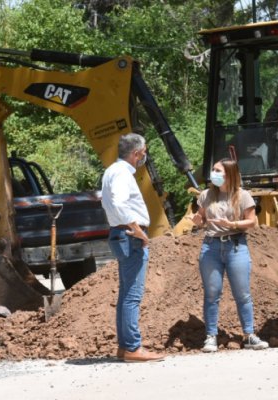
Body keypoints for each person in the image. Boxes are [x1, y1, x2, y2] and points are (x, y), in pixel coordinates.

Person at [190, 158, 269, 352]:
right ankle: (211, 336)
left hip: (236, 246)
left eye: (217, 171)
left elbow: (252, 222)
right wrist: (197, 220)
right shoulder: (206, 195)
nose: (213, 174)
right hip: (211, 247)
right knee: (212, 294)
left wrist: (232, 224)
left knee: (242, 294)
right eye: (213, 170)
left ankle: (249, 335)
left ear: (229, 175)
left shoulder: (243, 196)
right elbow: (201, 218)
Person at [101, 133, 164, 362]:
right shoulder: (121, 174)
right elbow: (118, 202)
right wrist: (136, 229)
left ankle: (125, 346)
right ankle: (132, 348)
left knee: (126, 293)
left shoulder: (111, 171)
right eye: (143, 152)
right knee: (132, 295)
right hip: (130, 236)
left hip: (121, 234)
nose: (144, 156)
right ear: (136, 153)